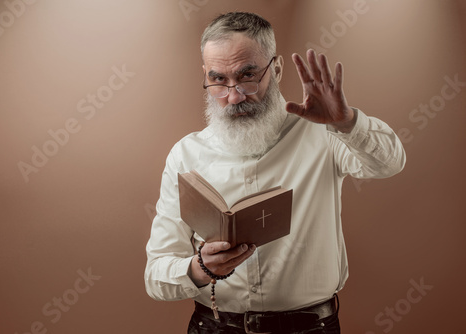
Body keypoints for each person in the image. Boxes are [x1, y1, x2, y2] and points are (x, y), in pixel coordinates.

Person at [145, 11, 405, 334]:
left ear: (276, 68)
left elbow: (391, 161)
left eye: (247, 76)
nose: (234, 96)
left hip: (311, 327)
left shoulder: (322, 132)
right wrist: (198, 269)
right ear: (205, 75)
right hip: (214, 327)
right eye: (218, 80)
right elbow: (155, 274)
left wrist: (347, 122)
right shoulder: (185, 155)